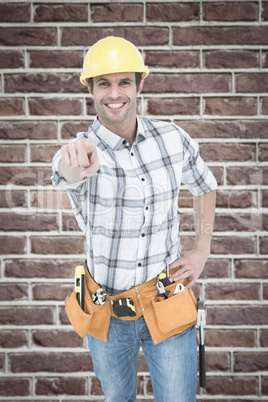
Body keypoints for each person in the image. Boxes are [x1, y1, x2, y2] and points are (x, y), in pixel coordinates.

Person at [51, 36, 217, 402]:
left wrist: (201, 250)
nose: (114, 93)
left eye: (124, 81)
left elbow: (205, 185)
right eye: (104, 83)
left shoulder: (172, 139)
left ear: (140, 84)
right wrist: (72, 162)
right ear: (90, 90)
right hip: (107, 313)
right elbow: (64, 171)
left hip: (166, 300)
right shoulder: (83, 151)